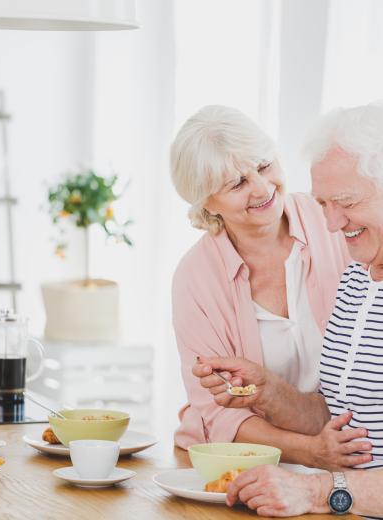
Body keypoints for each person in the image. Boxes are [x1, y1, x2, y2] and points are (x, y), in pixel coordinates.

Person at [194, 102, 383, 517]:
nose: (331, 226)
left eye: (346, 202)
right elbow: (337, 414)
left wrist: (317, 491)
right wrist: (268, 390)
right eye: (323, 204)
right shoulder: (357, 278)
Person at [170, 105, 358, 468]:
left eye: (264, 166)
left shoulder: (333, 222)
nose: (262, 188)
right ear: (207, 202)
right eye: (237, 184)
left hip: (345, 448)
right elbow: (220, 414)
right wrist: (310, 452)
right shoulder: (195, 279)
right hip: (244, 461)